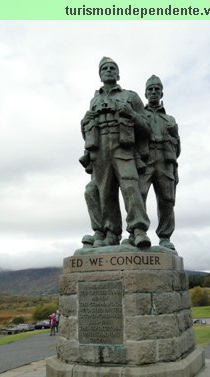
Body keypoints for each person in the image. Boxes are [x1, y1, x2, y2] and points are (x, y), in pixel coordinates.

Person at [80, 57, 151, 248]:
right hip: (100, 149)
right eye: (105, 68)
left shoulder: (131, 96)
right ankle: (111, 233)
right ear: (100, 74)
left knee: (130, 186)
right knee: (104, 192)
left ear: (118, 74)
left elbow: (147, 128)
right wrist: (84, 123)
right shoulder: (95, 100)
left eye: (112, 68)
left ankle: (138, 230)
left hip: (123, 147)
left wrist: (132, 113)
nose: (109, 70)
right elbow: (88, 130)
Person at [138, 75, 181, 251]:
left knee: (167, 200)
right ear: (145, 93)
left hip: (165, 160)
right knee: (138, 194)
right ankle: (138, 232)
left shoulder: (170, 119)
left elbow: (178, 146)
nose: (154, 92)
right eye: (150, 89)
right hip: (146, 159)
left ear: (162, 93)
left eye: (157, 89)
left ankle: (165, 237)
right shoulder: (140, 114)